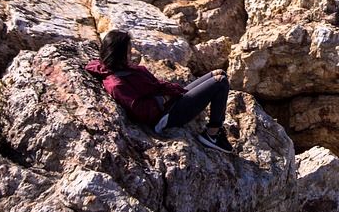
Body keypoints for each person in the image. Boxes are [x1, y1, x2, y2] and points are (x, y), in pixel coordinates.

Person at [85, 28, 235, 154]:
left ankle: (216, 131)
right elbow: (140, 110)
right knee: (220, 83)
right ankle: (212, 134)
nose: (131, 54)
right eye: (128, 51)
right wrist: (163, 98)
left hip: (173, 99)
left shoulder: (120, 68)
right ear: (119, 54)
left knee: (220, 74)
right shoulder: (116, 83)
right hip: (168, 115)